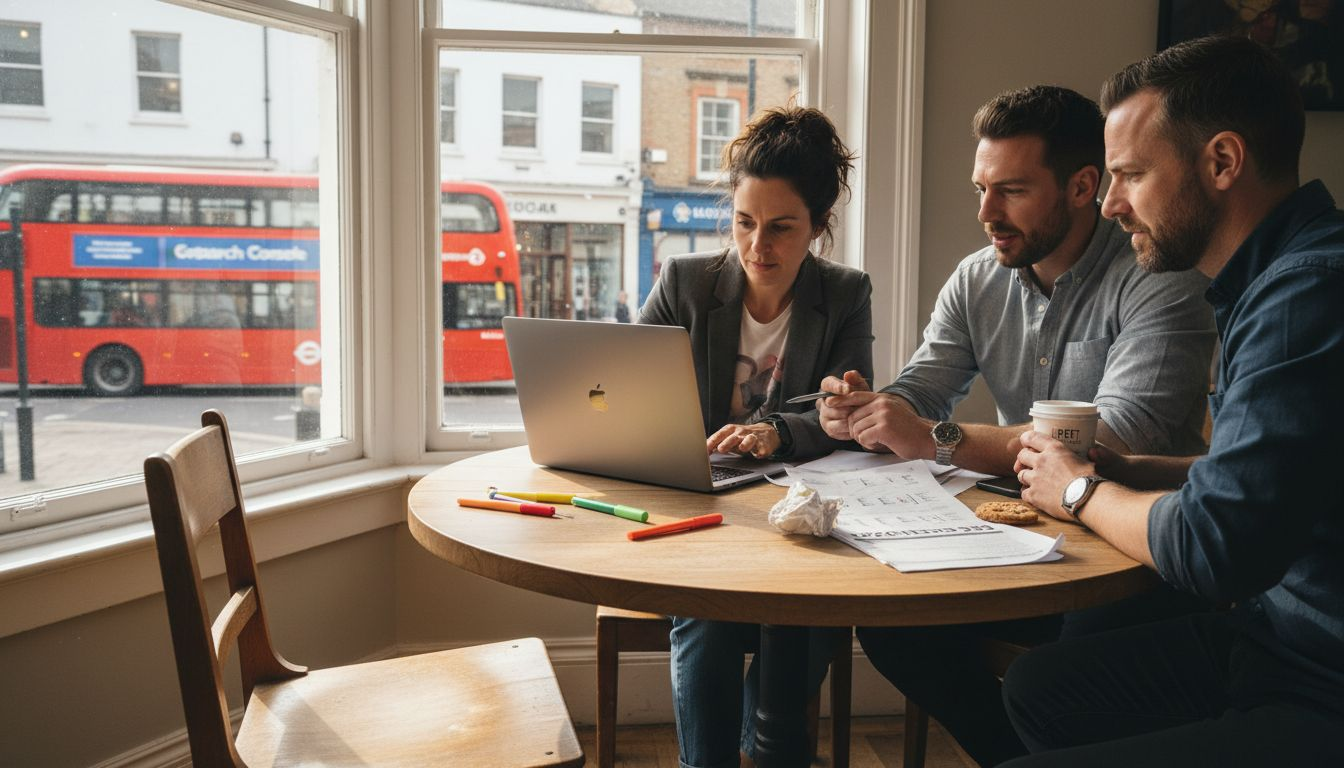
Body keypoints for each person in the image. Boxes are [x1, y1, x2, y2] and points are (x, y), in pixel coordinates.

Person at [815, 85, 1218, 766]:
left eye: (1012, 191)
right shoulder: (978, 279)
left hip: (1136, 558)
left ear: (1084, 185)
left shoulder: (1160, 280)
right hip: (1013, 542)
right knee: (893, 625)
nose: (986, 213)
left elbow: (1119, 438)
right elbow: (923, 389)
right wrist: (866, 406)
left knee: (1065, 674)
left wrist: (937, 437)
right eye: (981, 189)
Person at [1004, 35, 1344, 767]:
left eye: (1129, 174)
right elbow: (1272, 484)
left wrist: (1081, 491)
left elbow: (1215, 547)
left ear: (1222, 161)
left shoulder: (1306, 295)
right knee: (1041, 686)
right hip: (1276, 639)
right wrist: (1139, 469)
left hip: (1321, 679)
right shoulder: (1280, 278)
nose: (1112, 202)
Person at [638, 104, 872, 768]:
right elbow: (628, 386)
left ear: (819, 227)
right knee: (707, 621)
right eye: (744, 224)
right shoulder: (685, 283)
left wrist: (780, 430)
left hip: (799, 514)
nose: (758, 248)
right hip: (705, 510)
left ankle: (763, 750)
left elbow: (844, 421)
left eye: (781, 228)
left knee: (809, 623)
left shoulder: (846, 294)